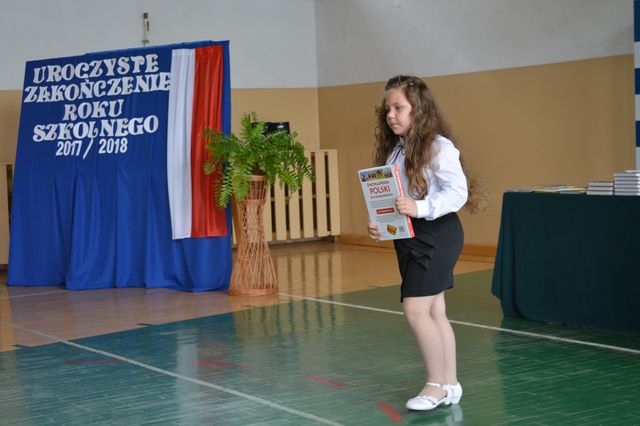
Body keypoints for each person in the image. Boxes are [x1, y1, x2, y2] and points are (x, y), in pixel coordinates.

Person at [367, 75, 482, 411]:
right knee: (435, 311)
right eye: (388, 109)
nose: (391, 115)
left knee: (415, 309)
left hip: (438, 235)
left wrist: (421, 207)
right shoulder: (395, 150)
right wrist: (382, 226)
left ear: (418, 109)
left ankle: (435, 386)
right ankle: (450, 383)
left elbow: (457, 193)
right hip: (408, 236)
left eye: (399, 107)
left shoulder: (439, 147)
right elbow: (395, 198)